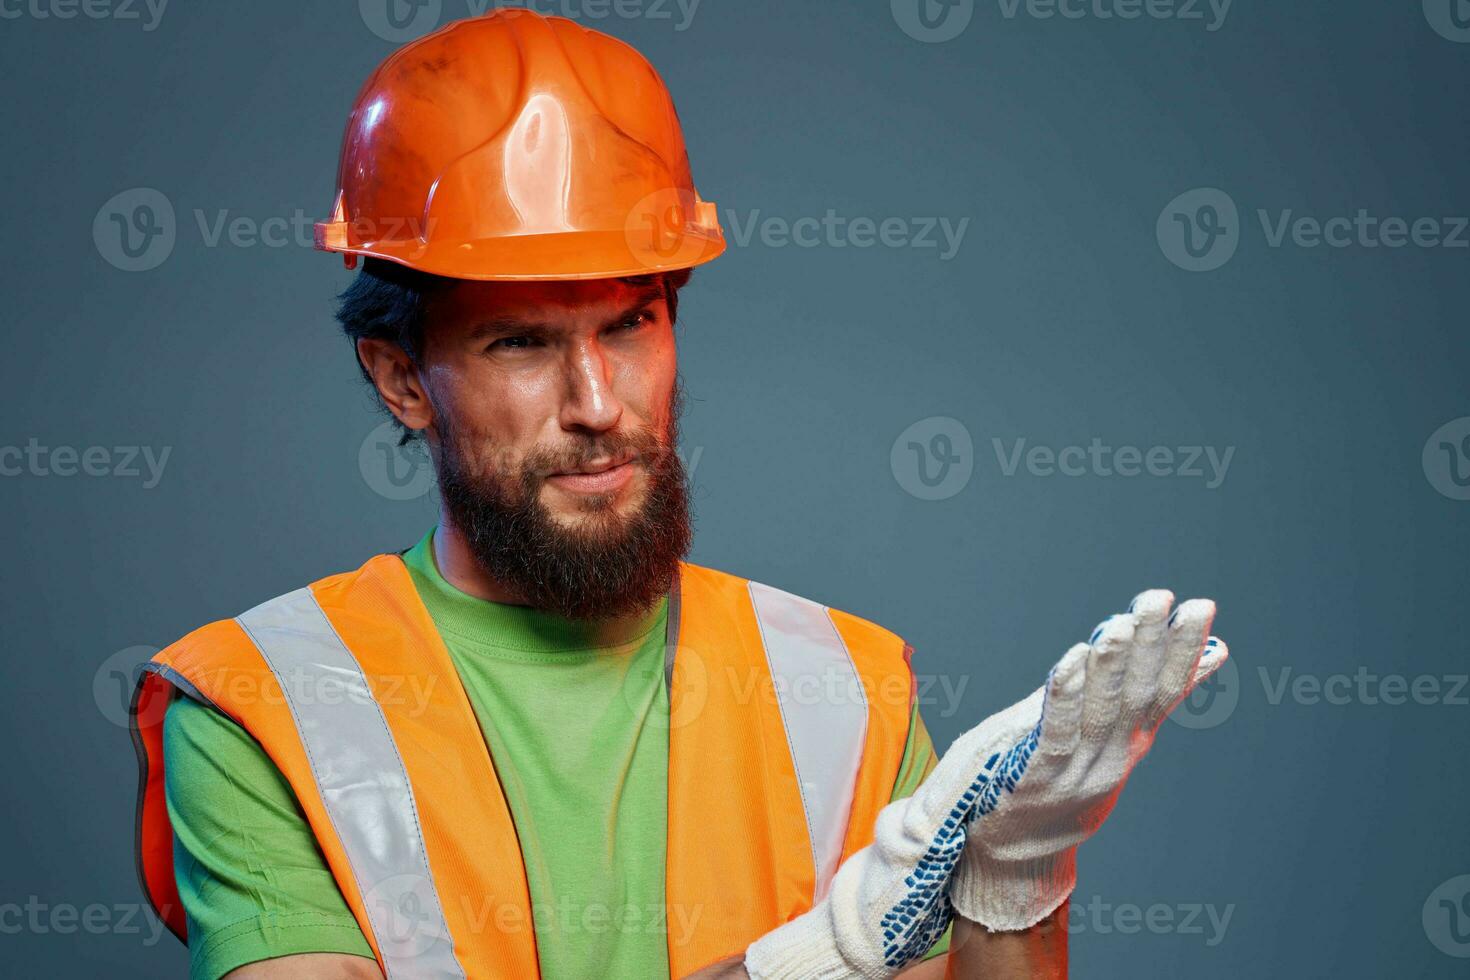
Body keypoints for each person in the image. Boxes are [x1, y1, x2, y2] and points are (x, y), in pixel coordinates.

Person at [127, 10, 1227, 979]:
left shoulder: (842, 689)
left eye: (631, 322)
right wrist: (807, 960)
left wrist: (1020, 879)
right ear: (404, 376)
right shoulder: (269, 706)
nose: (598, 401)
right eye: (521, 341)